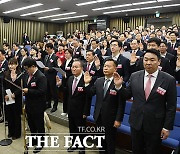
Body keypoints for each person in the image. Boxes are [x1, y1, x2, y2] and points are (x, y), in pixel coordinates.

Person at [118, 49, 177, 154]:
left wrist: (167, 127)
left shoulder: (169, 79)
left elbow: (171, 106)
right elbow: (127, 95)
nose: (148, 62)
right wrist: (119, 86)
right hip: (136, 122)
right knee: (136, 150)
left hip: (156, 124)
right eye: (146, 59)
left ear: (159, 62)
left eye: (152, 60)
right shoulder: (135, 76)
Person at [84, 59, 126, 154]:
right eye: (105, 66)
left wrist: (118, 119)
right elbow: (90, 93)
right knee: (101, 141)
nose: (105, 68)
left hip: (111, 118)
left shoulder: (119, 83)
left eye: (108, 66)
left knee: (110, 142)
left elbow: (121, 103)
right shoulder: (99, 81)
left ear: (115, 69)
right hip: (98, 116)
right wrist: (87, 84)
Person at [22, 58, 47, 153]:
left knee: (39, 125)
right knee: (31, 124)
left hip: (38, 105)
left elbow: (42, 91)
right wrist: (25, 92)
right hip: (29, 104)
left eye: (27, 69)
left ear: (33, 66)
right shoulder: (27, 75)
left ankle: (41, 143)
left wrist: (29, 91)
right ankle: (33, 140)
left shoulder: (41, 77)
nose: (27, 71)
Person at [66, 59, 91, 154]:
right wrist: (59, 85)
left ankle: (82, 148)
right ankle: (74, 144)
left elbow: (88, 97)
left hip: (81, 111)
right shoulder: (70, 79)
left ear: (81, 68)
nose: (73, 69)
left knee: (81, 130)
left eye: (76, 67)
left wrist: (86, 112)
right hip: (71, 109)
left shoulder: (86, 79)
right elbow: (68, 95)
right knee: (72, 129)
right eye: (72, 67)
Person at [4, 58, 22, 140]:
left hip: (16, 98)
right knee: (9, 115)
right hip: (8, 97)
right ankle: (10, 132)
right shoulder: (6, 74)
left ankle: (17, 133)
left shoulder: (20, 74)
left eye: (13, 64)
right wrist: (5, 95)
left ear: (17, 64)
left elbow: (21, 87)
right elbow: (4, 86)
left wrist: (15, 94)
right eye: (10, 64)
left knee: (16, 116)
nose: (11, 66)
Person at [44, 43, 59, 112]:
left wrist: (49, 69)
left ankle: (55, 106)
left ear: (51, 49)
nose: (47, 51)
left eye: (48, 50)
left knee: (53, 92)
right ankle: (48, 103)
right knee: (47, 91)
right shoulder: (46, 56)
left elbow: (56, 67)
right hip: (46, 76)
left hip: (52, 76)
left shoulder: (55, 57)